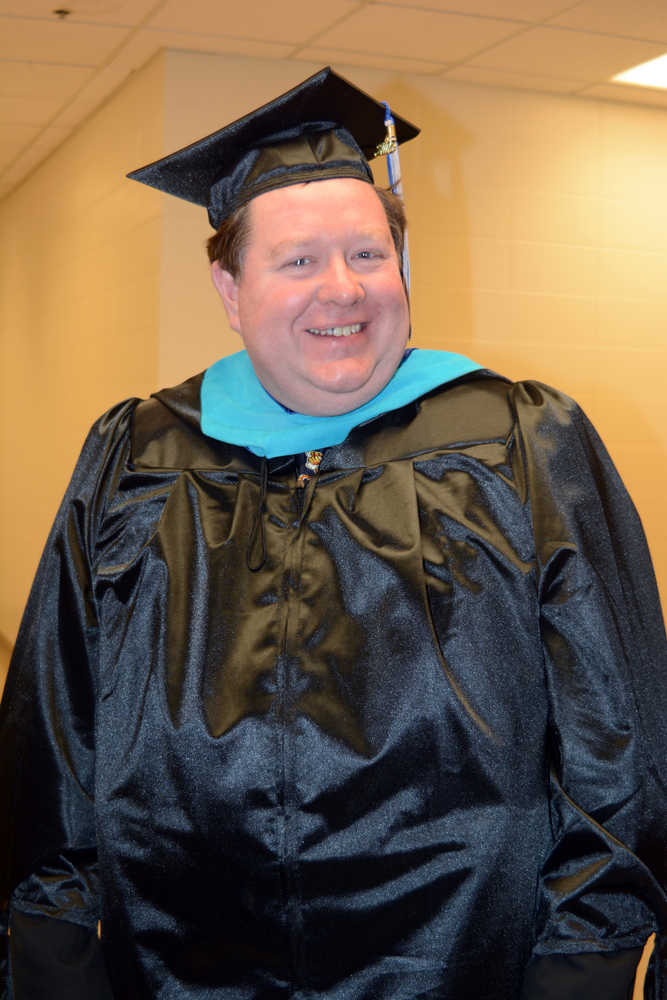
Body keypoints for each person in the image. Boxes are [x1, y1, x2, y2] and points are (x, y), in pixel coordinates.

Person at [1, 66, 666, 1000]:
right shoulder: (138, 455)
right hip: (179, 963)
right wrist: (54, 932)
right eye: (297, 261)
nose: (342, 291)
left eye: (367, 254)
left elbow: (618, 734)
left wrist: (587, 953)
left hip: (457, 962)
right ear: (231, 290)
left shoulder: (518, 442)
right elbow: (54, 721)